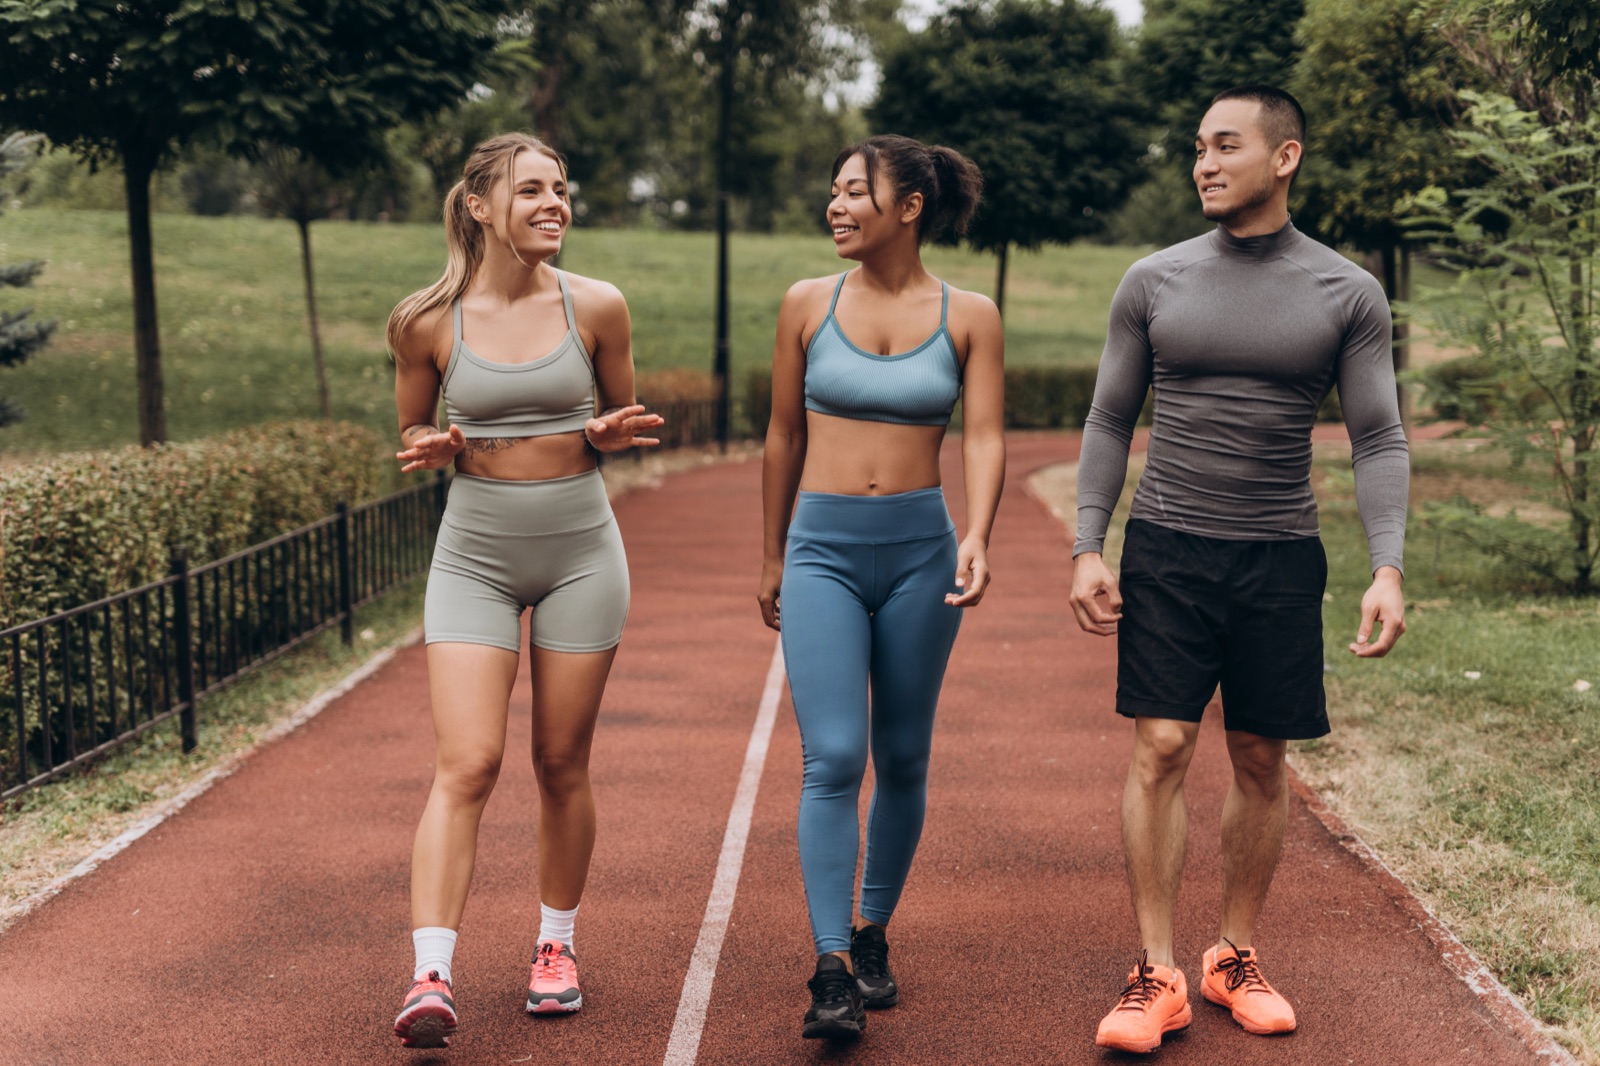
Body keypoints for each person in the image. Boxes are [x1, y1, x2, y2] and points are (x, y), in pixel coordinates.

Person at [1069, 85, 1410, 1054]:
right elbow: (1107, 419)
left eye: (1225, 146)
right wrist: (1088, 542)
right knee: (1163, 745)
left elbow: (1378, 434)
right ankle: (1155, 971)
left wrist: (1386, 565)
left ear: (1285, 155)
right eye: (1197, 148)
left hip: (1278, 554)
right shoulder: (1154, 280)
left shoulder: (1346, 290)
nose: (1204, 164)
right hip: (1170, 546)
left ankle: (1234, 953)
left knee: (1260, 756)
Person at [384, 132, 663, 1050]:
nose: (556, 203)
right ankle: (431, 972)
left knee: (559, 762)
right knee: (466, 763)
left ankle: (555, 946)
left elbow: (611, 422)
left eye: (562, 189)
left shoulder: (599, 306)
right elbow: (418, 428)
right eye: (533, 189)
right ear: (479, 205)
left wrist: (610, 436)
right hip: (474, 554)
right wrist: (441, 447)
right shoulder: (426, 321)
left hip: (582, 550)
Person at [759, 134, 1006, 1041]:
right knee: (833, 756)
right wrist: (772, 552)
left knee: (903, 756)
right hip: (821, 549)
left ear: (909, 208)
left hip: (921, 554)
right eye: (832, 190)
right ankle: (829, 968)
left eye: (855, 192)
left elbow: (981, 436)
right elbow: (783, 435)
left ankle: (871, 935)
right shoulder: (803, 304)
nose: (835, 205)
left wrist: (977, 532)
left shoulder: (970, 313)